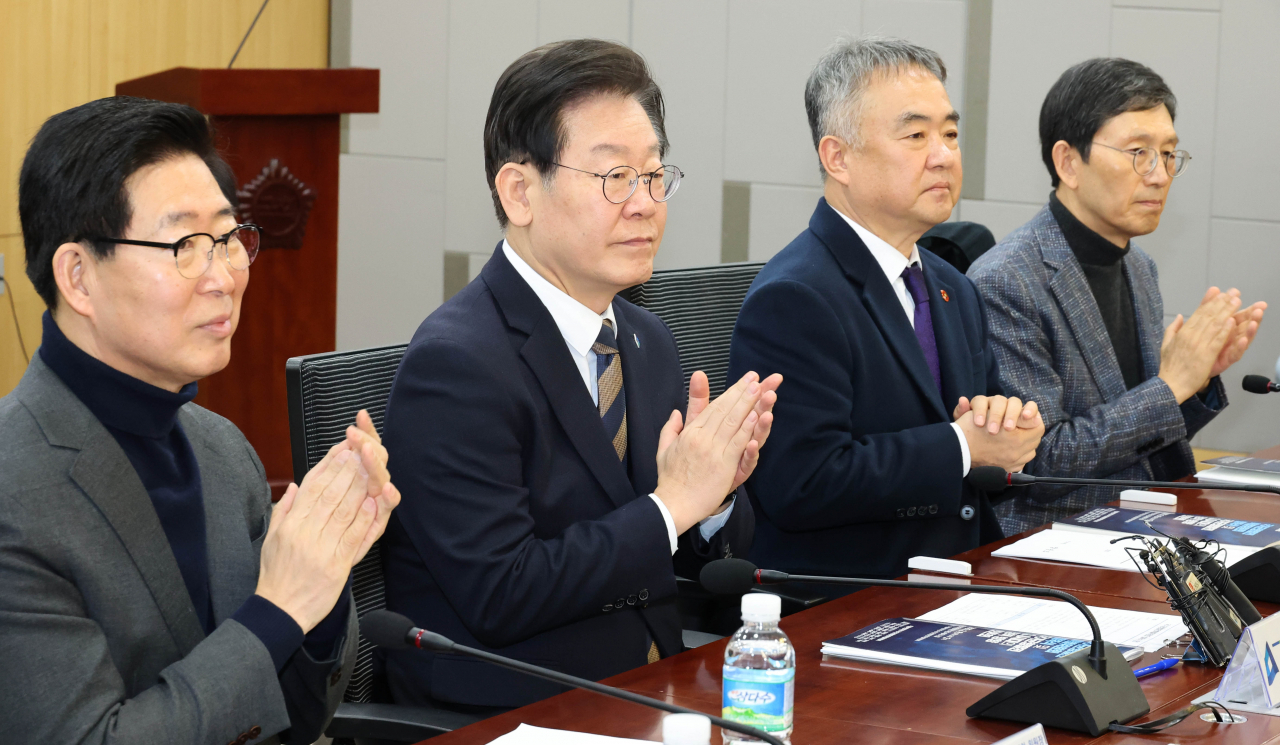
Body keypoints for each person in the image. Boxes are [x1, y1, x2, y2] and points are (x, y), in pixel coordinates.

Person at [380, 39, 781, 711]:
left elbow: (682, 564)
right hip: (517, 707)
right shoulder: (456, 364)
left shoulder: (645, 339)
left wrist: (713, 500)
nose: (646, 203)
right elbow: (502, 592)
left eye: (655, 175)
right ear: (519, 191)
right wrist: (672, 505)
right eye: (614, 177)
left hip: (651, 687)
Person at [0, 97, 401, 744]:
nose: (224, 277)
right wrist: (280, 607)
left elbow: (294, 720)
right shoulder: (12, 490)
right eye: (186, 244)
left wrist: (323, 577)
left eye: (228, 238)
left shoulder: (221, 450)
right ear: (77, 276)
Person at [727, 36, 1044, 584]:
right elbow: (801, 483)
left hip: (965, 575)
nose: (943, 154)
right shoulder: (796, 297)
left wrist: (1010, 430)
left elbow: (978, 431)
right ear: (838, 157)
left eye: (949, 133)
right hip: (852, 600)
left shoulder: (952, 285)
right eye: (916, 135)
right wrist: (963, 446)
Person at [968, 58, 1265, 534]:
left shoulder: (1138, 267)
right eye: (1138, 152)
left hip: (1146, 523)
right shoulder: (1007, 280)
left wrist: (1197, 380)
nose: (1160, 174)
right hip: (1054, 543)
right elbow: (1037, 465)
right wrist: (1171, 386)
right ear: (1068, 162)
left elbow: (1140, 438)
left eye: (1168, 153)